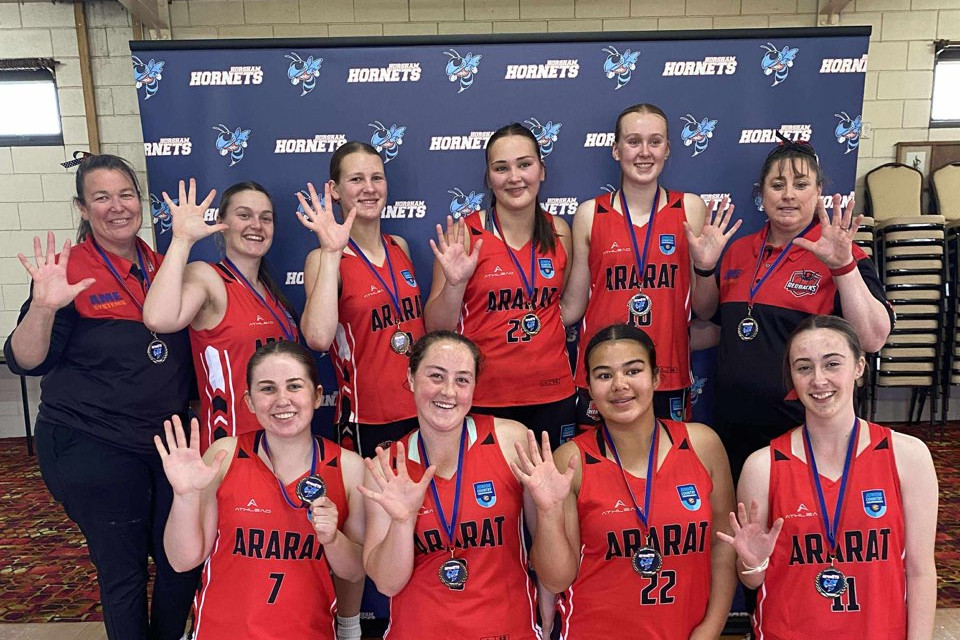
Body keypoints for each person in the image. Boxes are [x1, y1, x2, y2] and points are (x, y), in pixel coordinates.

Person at [3, 154, 199, 640]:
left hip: (161, 445)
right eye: (102, 197)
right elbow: (25, 361)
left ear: (141, 202)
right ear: (82, 208)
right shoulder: (69, 271)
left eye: (126, 194)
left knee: (182, 560)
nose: (117, 207)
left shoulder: (159, 264)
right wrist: (44, 307)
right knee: (125, 569)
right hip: (91, 442)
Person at [717, 315, 937, 640]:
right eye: (804, 367)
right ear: (792, 376)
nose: (819, 380)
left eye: (832, 364)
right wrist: (752, 563)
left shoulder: (908, 457)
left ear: (859, 367)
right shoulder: (763, 466)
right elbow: (753, 579)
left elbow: (919, 571)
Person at [517, 323, 736, 639]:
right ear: (590, 389)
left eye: (633, 371)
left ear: (656, 378)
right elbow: (556, 580)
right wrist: (548, 511)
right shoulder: (570, 461)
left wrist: (710, 629)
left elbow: (723, 546)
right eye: (604, 376)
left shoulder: (703, 445)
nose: (619, 385)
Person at [695, 136, 893, 478]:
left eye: (800, 184)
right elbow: (710, 318)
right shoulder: (739, 250)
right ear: (762, 194)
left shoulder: (840, 254)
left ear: (817, 192)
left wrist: (842, 266)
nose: (788, 194)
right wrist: (704, 269)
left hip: (802, 431)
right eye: (777, 184)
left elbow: (873, 338)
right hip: (733, 426)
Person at [155, 340, 366, 639]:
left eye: (294, 386)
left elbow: (356, 570)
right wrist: (185, 496)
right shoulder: (224, 455)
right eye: (267, 389)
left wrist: (333, 539)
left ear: (317, 396)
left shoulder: (349, 468)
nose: (282, 400)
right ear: (251, 401)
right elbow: (181, 560)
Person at [562, 103, 738, 426]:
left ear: (667, 149)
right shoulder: (589, 214)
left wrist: (705, 268)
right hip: (603, 374)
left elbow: (703, 309)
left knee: (665, 473)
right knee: (597, 471)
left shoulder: (690, 208)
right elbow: (573, 306)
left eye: (655, 142)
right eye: (633, 141)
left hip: (666, 373)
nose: (644, 152)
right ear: (616, 150)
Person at [360, 331, 541, 640]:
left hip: (506, 630)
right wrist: (403, 522)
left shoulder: (512, 441)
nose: (448, 392)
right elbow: (388, 584)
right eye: (436, 376)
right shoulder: (384, 468)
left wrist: (547, 613)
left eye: (462, 380)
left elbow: (545, 551)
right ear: (412, 377)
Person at [424, 123, 575, 449]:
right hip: (487, 396)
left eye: (524, 164)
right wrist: (455, 283)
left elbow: (567, 307)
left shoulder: (560, 230)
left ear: (542, 170)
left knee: (554, 495)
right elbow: (436, 327)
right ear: (489, 178)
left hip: (553, 393)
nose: (514, 177)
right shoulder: (465, 235)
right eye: (501, 168)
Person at [143, 179, 298, 450]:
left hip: (281, 441)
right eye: (244, 215)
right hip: (231, 448)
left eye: (266, 218)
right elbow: (158, 319)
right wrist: (182, 240)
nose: (256, 225)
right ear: (222, 222)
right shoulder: (208, 276)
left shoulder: (271, 292)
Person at [298, 142, 426, 456]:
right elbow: (317, 338)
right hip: (366, 419)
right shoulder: (323, 258)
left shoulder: (399, 246)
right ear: (335, 189)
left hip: (422, 409)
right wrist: (331, 253)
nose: (369, 188)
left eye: (377, 178)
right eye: (356, 179)